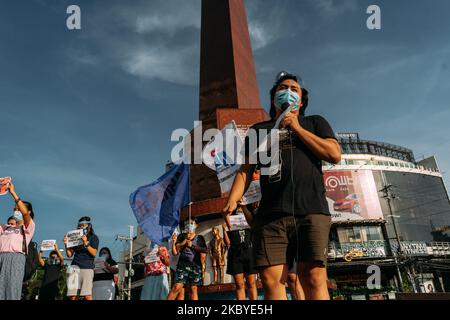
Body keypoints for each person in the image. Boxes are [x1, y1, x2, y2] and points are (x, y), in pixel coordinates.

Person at [223, 71, 341, 300]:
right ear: (273, 96)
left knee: (313, 277)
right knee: (270, 280)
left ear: (302, 100)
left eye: (294, 89)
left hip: (311, 210)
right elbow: (246, 170)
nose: (288, 91)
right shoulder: (258, 130)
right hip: (270, 216)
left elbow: (334, 154)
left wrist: (296, 127)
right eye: (282, 88)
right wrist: (232, 198)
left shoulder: (315, 122)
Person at [0, 182, 36, 300]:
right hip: (1, 257)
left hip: (15, 258)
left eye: (18, 208)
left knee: (11, 290)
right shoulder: (5, 227)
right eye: (15, 209)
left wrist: (13, 193)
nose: (16, 210)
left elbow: (24, 213)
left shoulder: (27, 227)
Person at [223, 204, 258, 300]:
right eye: (238, 209)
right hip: (235, 253)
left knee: (251, 283)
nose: (240, 211)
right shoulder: (230, 220)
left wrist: (243, 206)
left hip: (249, 252)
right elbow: (227, 243)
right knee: (239, 284)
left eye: (241, 209)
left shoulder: (251, 217)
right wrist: (224, 229)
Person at [167, 219, 207, 301]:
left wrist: (192, 246)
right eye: (187, 223)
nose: (189, 225)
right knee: (177, 287)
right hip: (182, 265)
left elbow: (205, 250)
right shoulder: (181, 236)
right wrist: (184, 241)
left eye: (192, 223)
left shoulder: (200, 238)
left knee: (193, 289)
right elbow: (176, 251)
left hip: (195, 266)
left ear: (196, 225)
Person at [63, 216, 99, 300]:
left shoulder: (94, 237)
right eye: (79, 225)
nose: (81, 227)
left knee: (87, 295)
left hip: (87, 267)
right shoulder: (75, 237)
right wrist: (66, 244)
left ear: (88, 226)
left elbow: (94, 253)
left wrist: (86, 243)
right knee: (73, 296)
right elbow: (69, 255)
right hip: (74, 267)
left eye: (83, 225)